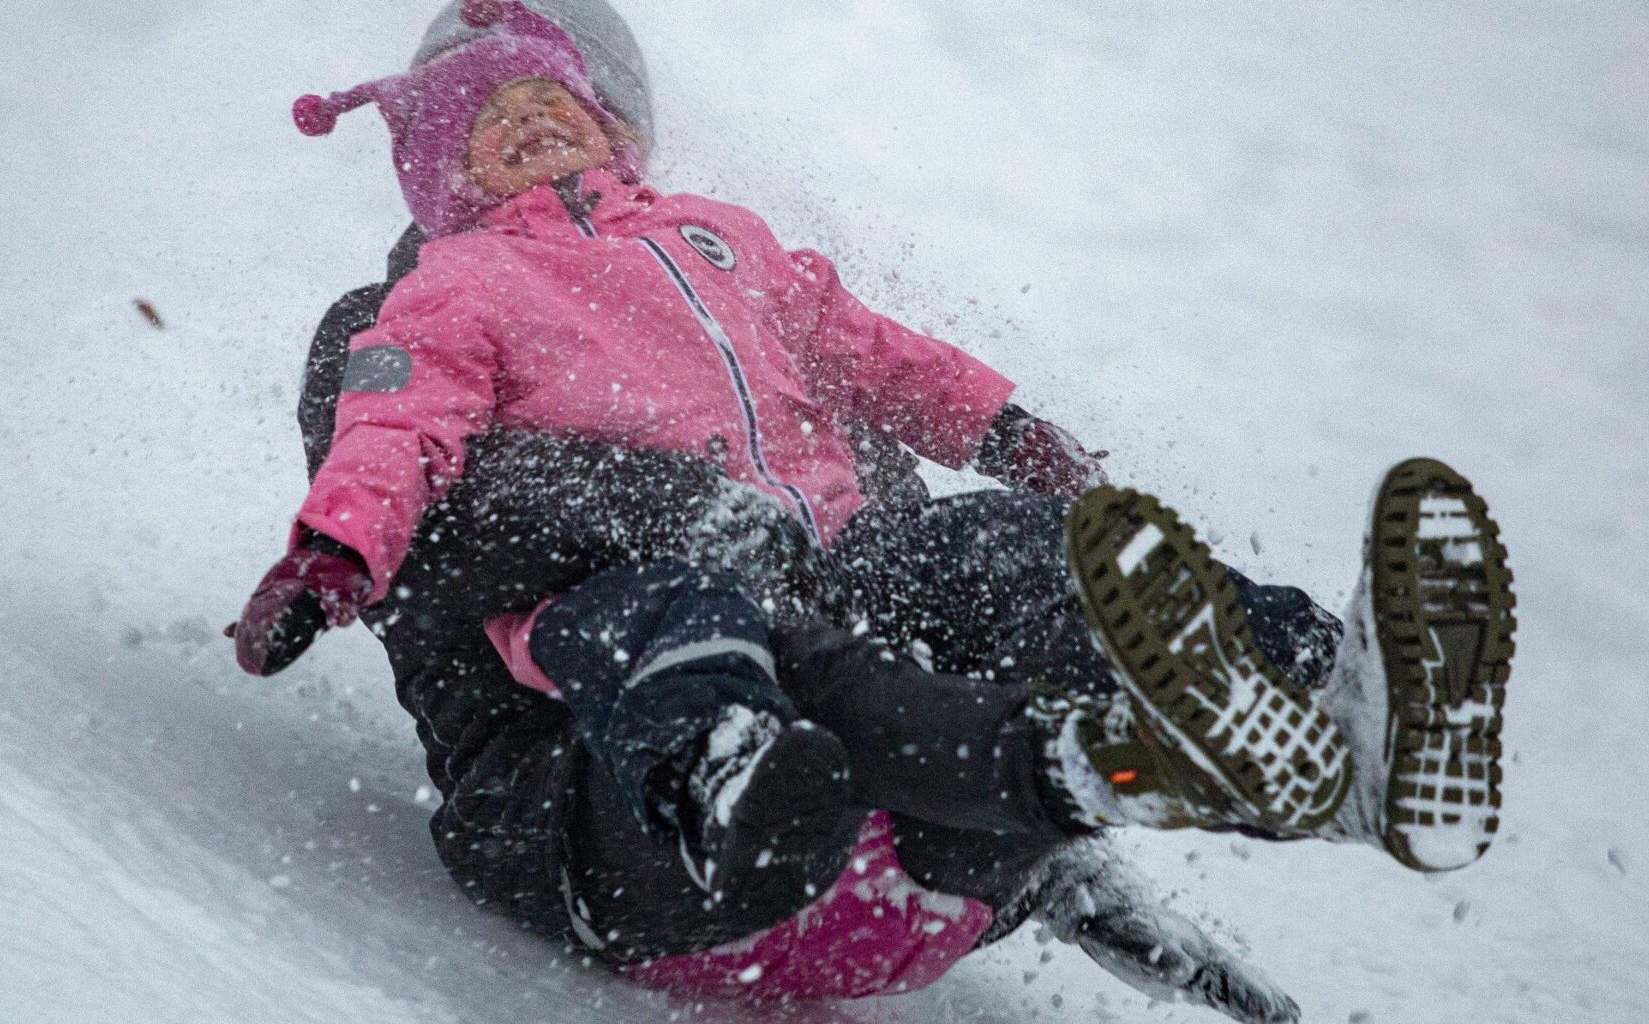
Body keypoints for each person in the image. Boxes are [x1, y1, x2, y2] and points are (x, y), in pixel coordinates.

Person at [232, 3, 1517, 1021]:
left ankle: (1317, 690)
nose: (524, 129)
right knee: (742, 636)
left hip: (916, 832)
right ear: (428, 170)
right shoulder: (410, 314)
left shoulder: (726, 261)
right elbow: (423, 503)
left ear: (620, 127)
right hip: (627, 825)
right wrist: (336, 558)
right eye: (485, 122)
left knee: (996, 553)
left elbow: (877, 361)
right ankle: (750, 770)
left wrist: (1011, 441)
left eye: (552, 103)